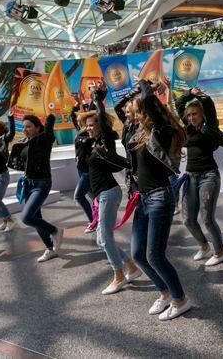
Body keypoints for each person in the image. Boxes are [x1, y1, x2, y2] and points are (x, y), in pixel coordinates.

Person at [129, 79, 190, 321]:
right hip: (142, 199)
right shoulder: (138, 134)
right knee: (138, 254)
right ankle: (164, 292)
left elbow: (149, 103)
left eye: (137, 110)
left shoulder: (163, 132)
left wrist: (145, 86)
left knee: (155, 255)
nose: (133, 114)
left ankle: (180, 299)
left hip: (159, 197)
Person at [82, 84, 141, 295]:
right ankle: (131, 268)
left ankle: (118, 275)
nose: (89, 128)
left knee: (105, 238)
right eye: (86, 125)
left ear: (101, 125)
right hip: (101, 196)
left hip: (109, 193)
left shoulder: (105, 140)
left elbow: (103, 122)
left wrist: (98, 100)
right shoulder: (94, 143)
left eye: (92, 125)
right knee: (101, 239)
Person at [175, 87, 223, 266]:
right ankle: (204, 246)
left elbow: (209, 106)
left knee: (207, 218)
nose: (191, 117)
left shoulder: (210, 127)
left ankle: (219, 251)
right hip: (190, 177)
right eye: (189, 115)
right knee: (188, 219)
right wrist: (188, 93)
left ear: (202, 114)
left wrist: (199, 95)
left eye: (195, 114)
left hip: (209, 177)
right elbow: (179, 104)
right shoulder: (188, 129)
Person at [8, 114, 63, 262]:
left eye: (29, 126)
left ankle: (55, 231)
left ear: (38, 128)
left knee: (26, 217)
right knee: (35, 218)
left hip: (42, 183)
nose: (25, 129)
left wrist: (50, 115)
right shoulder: (25, 142)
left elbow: (49, 127)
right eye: (24, 127)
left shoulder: (44, 139)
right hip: (29, 183)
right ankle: (50, 249)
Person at [70, 101, 97, 232]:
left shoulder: (89, 132)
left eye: (80, 117)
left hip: (87, 171)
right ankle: (98, 218)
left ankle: (93, 221)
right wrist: (76, 104)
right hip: (80, 169)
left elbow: (92, 113)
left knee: (79, 196)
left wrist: (92, 101)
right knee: (93, 197)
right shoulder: (79, 131)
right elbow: (72, 115)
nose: (77, 118)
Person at [114, 86, 141, 197]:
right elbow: (117, 107)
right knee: (135, 200)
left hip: (141, 171)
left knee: (141, 202)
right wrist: (131, 94)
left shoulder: (142, 127)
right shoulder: (127, 124)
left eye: (128, 112)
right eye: (125, 112)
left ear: (136, 112)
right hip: (130, 169)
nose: (125, 115)